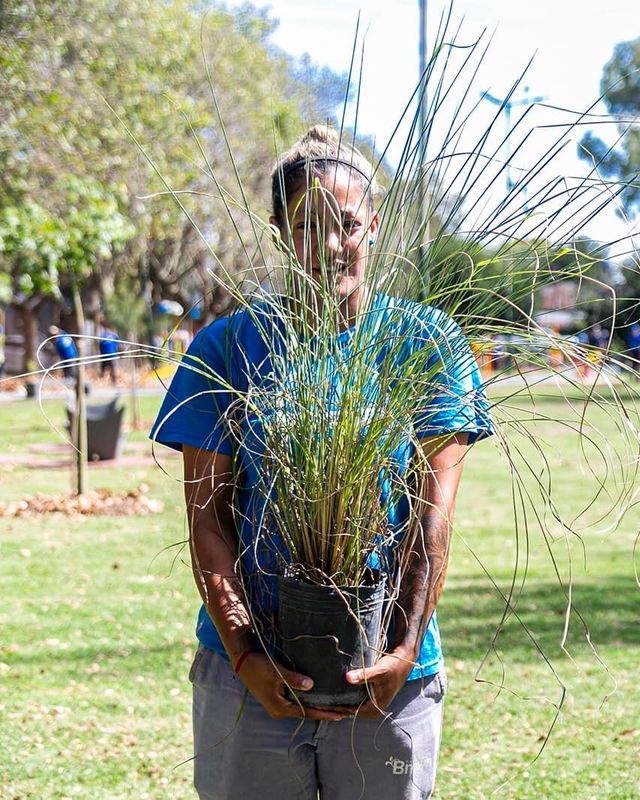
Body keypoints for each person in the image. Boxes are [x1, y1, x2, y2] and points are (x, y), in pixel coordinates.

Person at [151, 125, 492, 800]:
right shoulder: (228, 346)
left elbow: (433, 519)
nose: (332, 246)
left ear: (374, 226)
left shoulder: (426, 343)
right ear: (280, 231)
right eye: (309, 226)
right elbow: (209, 521)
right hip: (246, 674)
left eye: (348, 225)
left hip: (391, 672)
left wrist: (403, 650)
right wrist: (246, 654)